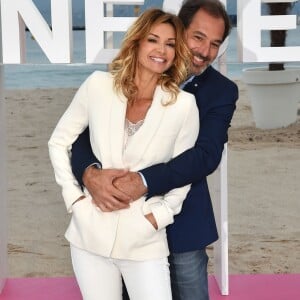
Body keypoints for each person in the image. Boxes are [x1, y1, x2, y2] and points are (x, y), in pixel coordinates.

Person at [71, 0, 239, 299]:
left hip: (184, 224)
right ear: (178, 30)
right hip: (119, 218)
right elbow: (82, 136)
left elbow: (206, 155)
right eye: (198, 37)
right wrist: (89, 174)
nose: (205, 51)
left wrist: (143, 180)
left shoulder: (222, 91)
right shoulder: (124, 76)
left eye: (215, 43)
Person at [48, 8, 199, 300]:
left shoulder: (183, 105)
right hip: (89, 234)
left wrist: (159, 216)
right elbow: (59, 141)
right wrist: (75, 199)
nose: (161, 50)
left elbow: (184, 171)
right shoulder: (97, 86)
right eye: (153, 40)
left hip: (144, 240)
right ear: (137, 42)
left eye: (170, 44)